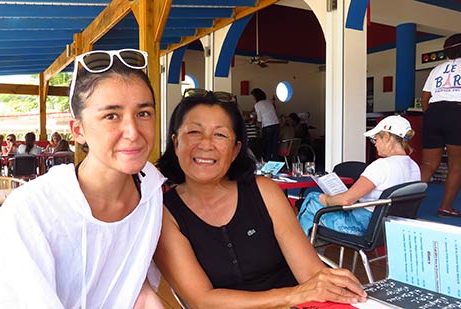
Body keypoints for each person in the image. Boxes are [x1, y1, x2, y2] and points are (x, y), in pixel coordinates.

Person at [0, 49, 165, 308]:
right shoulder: (34, 208)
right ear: (78, 130)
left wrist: (145, 294)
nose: (133, 132)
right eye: (111, 116)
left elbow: (126, 273)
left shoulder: (151, 188)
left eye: (143, 113)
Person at [155, 91, 367, 308]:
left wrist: (330, 283)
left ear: (236, 149)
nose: (206, 144)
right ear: (176, 142)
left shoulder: (264, 191)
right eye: (194, 132)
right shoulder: (164, 214)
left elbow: (310, 273)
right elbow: (203, 301)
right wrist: (293, 295)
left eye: (220, 135)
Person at [298, 115, 420, 236]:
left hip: (363, 227)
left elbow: (345, 200)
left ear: (387, 137)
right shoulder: (415, 167)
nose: (375, 144)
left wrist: (326, 199)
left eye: (375, 139)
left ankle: (299, 249)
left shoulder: (382, 166)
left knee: (313, 199)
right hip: (390, 228)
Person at [420, 33, 461, 218]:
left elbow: (425, 98)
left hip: (433, 113)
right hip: (458, 113)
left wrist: (433, 115)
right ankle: (446, 207)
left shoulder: (437, 69)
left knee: (428, 165)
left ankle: (406, 205)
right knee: (457, 165)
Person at [251, 88, 280, 161]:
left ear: (256, 96)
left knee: (267, 147)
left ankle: (267, 164)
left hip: (267, 126)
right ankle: (275, 163)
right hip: (276, 124)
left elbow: (259, 119)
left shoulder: (257, 105)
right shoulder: (269, 102)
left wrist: (257, 127)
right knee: (274, 147)